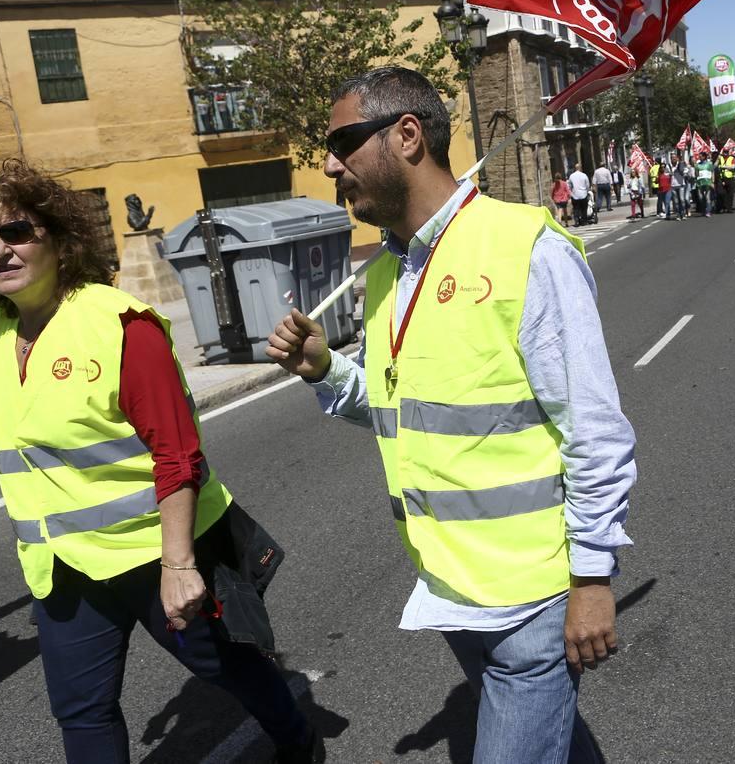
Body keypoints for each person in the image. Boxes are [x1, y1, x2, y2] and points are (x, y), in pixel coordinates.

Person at [267, 66, 635, 764]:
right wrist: (325, 370)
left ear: (407, 136)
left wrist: (591, 581)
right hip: (453, 590)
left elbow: (595, 433)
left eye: (343, 141)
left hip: (533, 598)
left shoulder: (526, 250)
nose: (327, 164)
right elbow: (401, 409)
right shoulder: (386, 272)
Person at [0, 162, 317, 764]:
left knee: (228, 668)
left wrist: (179, 563)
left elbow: (176, 452)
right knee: (82, 711)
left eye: (15, 231)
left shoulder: (120, 326)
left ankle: (297, 739)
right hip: (62, 566)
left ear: (61, 242)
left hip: (155, 552)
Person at [567, 160, 591, 226]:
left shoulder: (571, 176)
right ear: (580, 168)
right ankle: (584, 221)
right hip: (583, 194)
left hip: (575, 195)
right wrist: (587, 190)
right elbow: (587, 185)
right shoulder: (584, 175)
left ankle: (577, 221)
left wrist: (572, 192)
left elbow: (569, 186)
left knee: (576, 209)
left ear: (575, 168)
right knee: (584, 208)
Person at [694, 152, 714, 217]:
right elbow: (696, 174)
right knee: (701, 198)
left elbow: (712, 172)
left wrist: (712, 182)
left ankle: (708, 211)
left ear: (704, 157)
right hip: (700, 183)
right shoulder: (697, 165)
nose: (699, 157)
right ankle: (703, 211)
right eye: (699, 156)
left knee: (707, 197)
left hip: (708, 182)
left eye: (701, 156)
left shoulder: (709, 164)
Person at [668, 156, 687, 220]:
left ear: (677, 159)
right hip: (673, 186)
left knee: (682, 199)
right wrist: (669, 174)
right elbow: (666, 174)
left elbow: (685, 171)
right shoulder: (669, 166)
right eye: (672, 159)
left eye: (675, 158)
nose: (674, 159)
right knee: (676, 201)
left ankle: (683, 213)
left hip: (681, 184)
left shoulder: (680, 165)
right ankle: (678, 215)